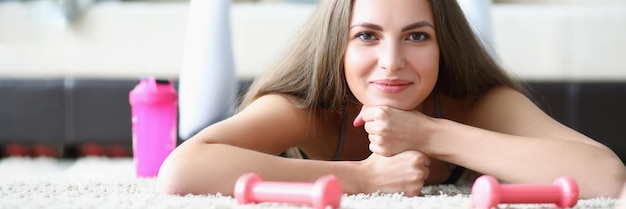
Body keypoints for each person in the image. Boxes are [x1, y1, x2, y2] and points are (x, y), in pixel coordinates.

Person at [157, 0, 626, 198]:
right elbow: (180, 169)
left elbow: (606, 175)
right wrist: (364, 177)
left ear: (442, 45)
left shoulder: (476, 102)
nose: (391, 61)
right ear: (338, 46)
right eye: (367, 36)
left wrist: (431, 132)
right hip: (215, 116)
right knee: (199, 122)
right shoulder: (307, 106)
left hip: (448, 89)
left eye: (418, 37)